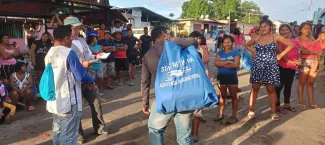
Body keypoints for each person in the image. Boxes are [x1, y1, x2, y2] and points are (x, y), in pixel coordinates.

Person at [141, 26, 197, 145]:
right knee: (185, 135)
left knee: (155, 129)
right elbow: (194, 42)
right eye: (167, 32)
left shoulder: (147, 55)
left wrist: (145, 103)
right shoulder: (175, 44)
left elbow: (145, 82)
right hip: (185, 95)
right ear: (163, 33)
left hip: (165, 97)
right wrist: (173, 39)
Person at [45, 25, 94, 145]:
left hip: (55, 99)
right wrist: (91, 81)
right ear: (66, 38)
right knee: (69, 135)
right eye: (71, 38)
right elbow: (81, 75)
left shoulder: (50, 52)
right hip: (69, 101)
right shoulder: (68, 53)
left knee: (58, 131)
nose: (72, 41)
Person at [63, 16, 108, 144]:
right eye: (74, 28)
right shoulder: (64, 44)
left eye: (78, 28)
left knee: (96, 101)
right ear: (67, 29)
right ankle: (78, 135)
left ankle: (99, 128)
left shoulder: (82, 40)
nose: (77, 31)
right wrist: (83, 63)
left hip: (86, 77)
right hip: (73, 80)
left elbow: (88, 55)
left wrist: (96, 56)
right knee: (76, 107)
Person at [244, 17, 294, 120]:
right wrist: (253, 51)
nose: (263, 28)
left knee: (271, 90)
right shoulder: (256, 38)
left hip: (271, 67)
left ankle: (273, 112)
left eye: (265, 26)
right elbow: (247, 45)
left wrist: (280, 56)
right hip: (258, 66)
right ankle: (251, 110)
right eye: (261, 27)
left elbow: (291, 44)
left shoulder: (275, 37)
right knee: (255, 89)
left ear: (271, 27)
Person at [296, 22, 325, 110]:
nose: (307, 30)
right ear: (301, 29)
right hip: (304, 61)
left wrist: (317, 61)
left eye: (309, 28)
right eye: (305, 28)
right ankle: (301, 102)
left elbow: (319, 50)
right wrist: (316, 52)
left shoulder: (312, 38)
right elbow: (302, 51)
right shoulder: (297, 39)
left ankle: (311, 102)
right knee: (302, 82)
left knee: (311, 83)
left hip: (314, 61)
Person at [214, 35, 240, 124]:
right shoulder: (219, 53)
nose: (227, 44)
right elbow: (216, 63)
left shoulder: (236, 53)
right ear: (222, 43)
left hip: (232, 77)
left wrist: (222, 64)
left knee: (234, 96)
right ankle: (221, 114)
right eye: (225, 42)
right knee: (222, 96)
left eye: (229, 42)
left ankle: (233, 115)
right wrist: (228, 62)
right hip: (221, 77)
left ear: (232, 43)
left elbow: (236, 65)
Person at [275, 24, 301, 114]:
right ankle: (277, 105)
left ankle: (286, 104)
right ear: (279, 32)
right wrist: (291, 62)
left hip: (292, 67)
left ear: (290, 31)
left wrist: (298, 61)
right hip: (282, 66)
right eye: (282, 30)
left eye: (286, 30)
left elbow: (299, 51)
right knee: (279, 87)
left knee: (288, 86)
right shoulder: (278, 41)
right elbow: (281, 54)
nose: (284, 31)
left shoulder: (294, 41)